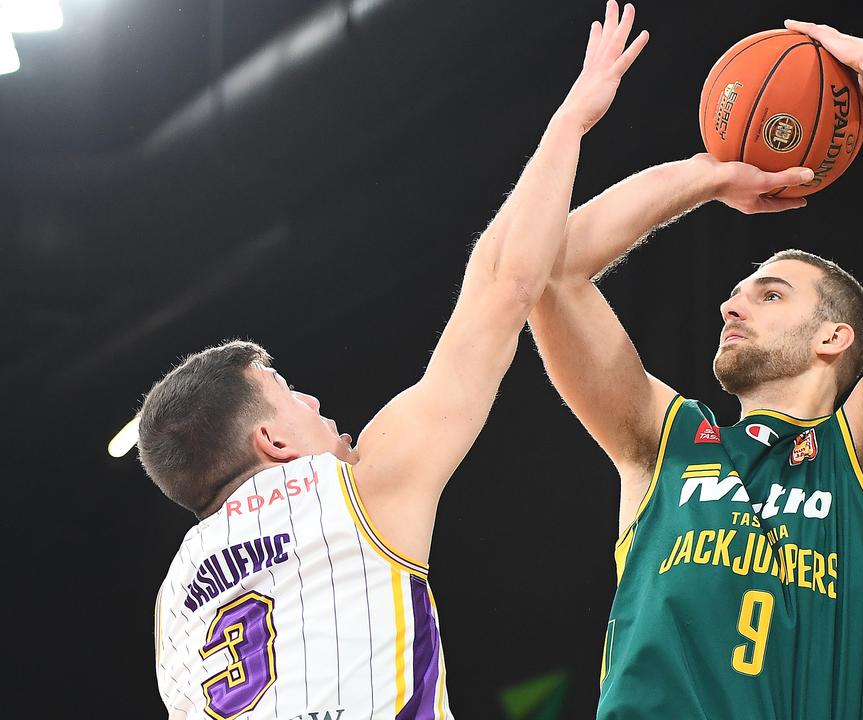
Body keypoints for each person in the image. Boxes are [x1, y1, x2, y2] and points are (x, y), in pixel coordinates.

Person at [143, 4, 648, 718]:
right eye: (290, 395)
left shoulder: (173, 605)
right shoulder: (352, 492)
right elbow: (505, 286)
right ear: (273, 440)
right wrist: (570, 122)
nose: (316, 405)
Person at [529, 19, 863, 719]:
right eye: (738, 290)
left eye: (770, 292)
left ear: (835, 337)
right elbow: (548, 273)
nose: (732, 303)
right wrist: (706, 175)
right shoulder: (665, 444)